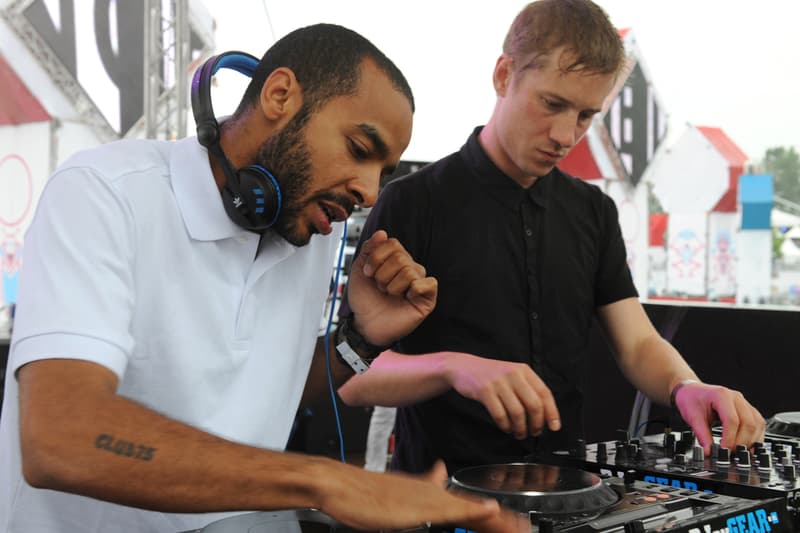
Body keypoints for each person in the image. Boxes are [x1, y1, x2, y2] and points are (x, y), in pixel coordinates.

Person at [0, 23, 527, 533]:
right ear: (279, 95)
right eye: (360, 150)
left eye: (383, 173)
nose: (369, 191)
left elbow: (267, 393)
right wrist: (326, 482)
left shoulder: (308, 237)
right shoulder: (104, 192)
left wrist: (360, 338)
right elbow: (61, 438)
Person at [337, 0, 766, 477]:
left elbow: (637, 344)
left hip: (568, 494)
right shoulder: (414, 202)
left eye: (585, 115)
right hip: (438, 496)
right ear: (504, 75)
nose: (565, 135)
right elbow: (353, 378)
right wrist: (455, 367)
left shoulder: (593, 211)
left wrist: (686, 386)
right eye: (553, 104)